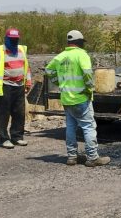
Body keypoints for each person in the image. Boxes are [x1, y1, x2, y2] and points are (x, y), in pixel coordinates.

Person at [45, 30, 110, 167]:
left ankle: (72, 156)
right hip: (81, 98)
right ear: (80, 42)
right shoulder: (82, 55)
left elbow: (48, 70)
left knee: (70, 127)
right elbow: (87, 73)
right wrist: (89, 88)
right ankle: (92, 157)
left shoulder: (60, 56)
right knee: (88, 127)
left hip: (66, 98)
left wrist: (59, 82)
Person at [0, 27, 32, 148]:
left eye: (16, 39)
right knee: (3, 113)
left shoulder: (21, 49)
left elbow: (26, 67)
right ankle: (4, 138)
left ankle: (17, 137)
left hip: (19, 86)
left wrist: (28, 82)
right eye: (11, 39)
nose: (14, 41)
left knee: (19, 113)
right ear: (6, 38)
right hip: (4, 86)